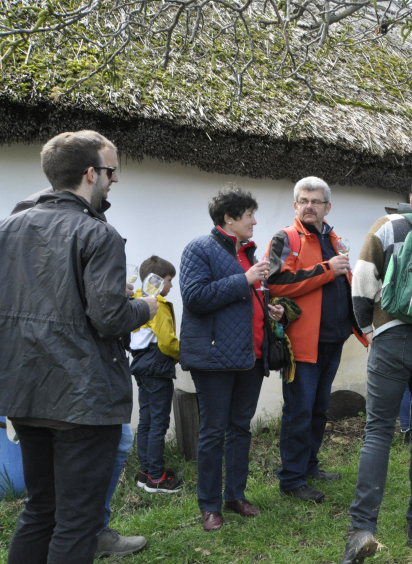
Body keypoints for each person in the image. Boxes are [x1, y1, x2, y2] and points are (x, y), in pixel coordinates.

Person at [0, 130, 157, 564]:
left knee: (40, 510)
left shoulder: (6, 228)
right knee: (77, 522)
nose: (114, 180)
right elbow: (109, 318)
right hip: (82, 400)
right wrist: (144, 306)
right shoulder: (98, 233)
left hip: (23, 393)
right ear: (91, 174)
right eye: (111, 172)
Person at [341, 178, 412, 563]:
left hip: (391, 337)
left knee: (378, 431)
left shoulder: (388, 226)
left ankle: (362, 530)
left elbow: (362, 281)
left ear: (411, 201)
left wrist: (370, 330)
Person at [179, 185, 285, 532]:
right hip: (214, 358)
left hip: (250, 356)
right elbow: (195, 297)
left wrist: (268, 309)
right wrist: (245, 280)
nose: (255, 220)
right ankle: (209, 506)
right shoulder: (199, 248)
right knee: (212, 432)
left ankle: (234, 496)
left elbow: (243, 298)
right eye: (250, 214)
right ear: (229, 217)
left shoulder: (248, 252)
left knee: (240, 429)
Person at [266, 176, 368, 503]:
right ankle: (292, 479)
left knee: (319, 409)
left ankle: (309, 466)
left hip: (332, 341)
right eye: (303, 201)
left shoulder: (334, 238)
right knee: (299, 411)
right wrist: (327, 268)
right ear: (296, 205)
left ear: (327, 207)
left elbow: (342, 285)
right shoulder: (286, 238)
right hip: (301, 346)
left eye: (315, 201)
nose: (309, 206)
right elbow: (277, 283)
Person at [130, 256, 182, 493]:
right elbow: (167, 342)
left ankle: (145, 472)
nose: (171, 286)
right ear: (159, 281)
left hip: (141, 365)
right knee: (158, 422)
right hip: (157, 367)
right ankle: (157, 478)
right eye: (169, 280)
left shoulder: (136, 301)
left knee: (147, 420)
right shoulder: (157, 304)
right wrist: (185, 356)